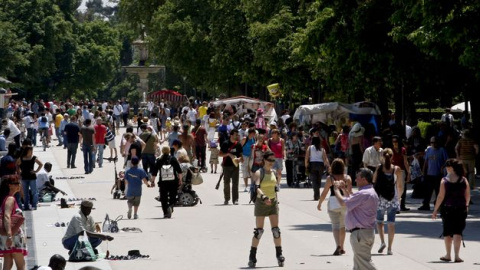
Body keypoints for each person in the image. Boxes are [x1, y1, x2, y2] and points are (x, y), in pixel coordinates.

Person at [332, 168, 379, 270]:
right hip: (365, 232)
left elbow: (344, 203)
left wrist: (336, 190)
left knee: (364, 263)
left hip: (360, 234)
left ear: (364, 179)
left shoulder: (364, 193)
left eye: (358, 177)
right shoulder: (369, 192)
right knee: (359, 265)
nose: (355, 180)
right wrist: (344, 189)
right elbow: (352, 200)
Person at [247, 151, 285, 268]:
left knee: (276, 230)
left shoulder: (273, 172)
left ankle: (279, 255)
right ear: (264, 160)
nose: (272, 162)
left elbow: (275, 188)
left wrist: (278, 179)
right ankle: (252, 256)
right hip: (261, 203)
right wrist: (264, 197)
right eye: (270, 160)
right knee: (259, 231)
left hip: (273, 203)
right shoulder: (259, 172)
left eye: (273, 160)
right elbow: (257, 187)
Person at [433, 159, 470, 263]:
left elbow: (440, 196)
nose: (446, 168)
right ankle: (457, 256)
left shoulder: (444, 180)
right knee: (458, 232)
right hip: (461, 208)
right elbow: (467, 195)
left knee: (447, 232)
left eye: (447, 166)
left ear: (451, 168)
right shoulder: (464, 180)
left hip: (447, 208)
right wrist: (466, 206)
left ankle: (448, 255)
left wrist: (435, 210)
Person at [317, 158, 352, 256]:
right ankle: (342, 246)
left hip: (333, 203)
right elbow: (349, 192)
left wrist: (320, 203)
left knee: (335, 226)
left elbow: (324, 192)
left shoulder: (330, 178)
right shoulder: (347, 178)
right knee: (342, 226)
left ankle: (338, 245)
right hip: (344, 203)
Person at [372, 148, 403, 255]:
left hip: (380, 199)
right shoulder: (397, 169)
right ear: (392, 156)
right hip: (392, 198)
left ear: (382, 156)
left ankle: (382, 242)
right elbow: (399, 186)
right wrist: (398, 198)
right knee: (391, 223)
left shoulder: (379, 168)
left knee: (379, 222)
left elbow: (373, 181)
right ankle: (390, 248)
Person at [0, 174, 27, 270]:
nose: (19, 185)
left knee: (8, 262)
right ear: (9, 185)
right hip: (13, 235)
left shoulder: (6, 199)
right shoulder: (10, 199)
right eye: (16, 183)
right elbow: (6, 216)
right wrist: (9, 235)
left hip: (7, 235)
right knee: (21, 265)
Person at [151, 146, 183, 218]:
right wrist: (180, 180)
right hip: (173, 181)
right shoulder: (173, 159)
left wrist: (152, 181)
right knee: (173, 195)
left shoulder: (159, 160)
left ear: (162, 151)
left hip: (163, 182)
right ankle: (171, 206)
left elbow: (154, 172)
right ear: (169, 151)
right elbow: (179, 171)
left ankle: (165, 212)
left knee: (163, 197)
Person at [418, 136, 448, 211]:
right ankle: (426, 205)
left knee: (438, 191)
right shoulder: (429, 150)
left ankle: (439, 205)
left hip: (438, 174)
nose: (433, 144)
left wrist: (443, 167)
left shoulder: (442, 150)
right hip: (429, 174)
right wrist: (423, 170)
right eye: (432, 142)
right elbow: (426, 161)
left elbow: (447, 161)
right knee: (428, 191)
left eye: (435, 142)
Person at [219, 129, 243, 205]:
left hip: (235, 166)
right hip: (226, 166)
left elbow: (242, 157)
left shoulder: (238, 144)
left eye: (237, 135)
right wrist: (228, 154)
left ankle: (235, 199)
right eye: (236, 135)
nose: (237, 136)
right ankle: (226, 199)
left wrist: (240, 159)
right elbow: (220, 154)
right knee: (226, 183)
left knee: (235, 183)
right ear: (231, 135)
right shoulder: (225, 143)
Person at [16, 145, 43, 210]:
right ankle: (26, 206)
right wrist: (19, 172)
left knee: (34, 192)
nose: (31, 152)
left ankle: (34, 205)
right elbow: (17, 165)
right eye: (30, 150)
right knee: (25, 193)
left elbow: (41, 164)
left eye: (31, 150)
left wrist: (36, 171)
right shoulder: (22, 158)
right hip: (24, 177)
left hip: (32, 177)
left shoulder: (33, 158)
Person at [305, 136, 330, 200]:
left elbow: (307, 157)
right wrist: (328, 166)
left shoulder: (310, 148)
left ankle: (316, 194)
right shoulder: (322, 149)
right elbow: (325, 158)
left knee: (314, 180)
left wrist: (306, 165)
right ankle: (317, 193)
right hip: (320, 165)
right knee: (319, 179)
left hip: (313, 164)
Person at [391, 135, 411, 212]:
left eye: (396, 141)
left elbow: (405, 162)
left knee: (401, 188)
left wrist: (409, 173)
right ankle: (395, 206)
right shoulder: (391, 150)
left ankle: (397, 203)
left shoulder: (403, 150)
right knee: (393, 188)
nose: (394, 143)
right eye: (393, 141)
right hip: (393, 170)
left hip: (401, 171)